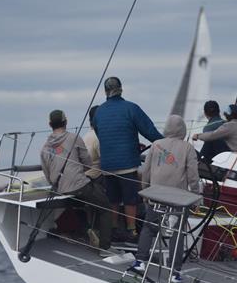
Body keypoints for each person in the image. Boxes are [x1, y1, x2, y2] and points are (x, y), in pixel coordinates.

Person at [92, 77, 163, 243]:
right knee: (130, 199)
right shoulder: (131, 108)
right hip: (127, 164)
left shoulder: (99, 112)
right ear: (121, 89)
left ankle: (114, 230)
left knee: (113, 200)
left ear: (105, 91)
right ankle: (131, 232)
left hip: (108, 165)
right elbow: (150, 132)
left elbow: (100, 133)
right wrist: (166, 144)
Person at [133, 115, 200, 283]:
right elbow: (193, 176)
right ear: (183, 130)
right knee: (177, 234)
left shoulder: (156, 145)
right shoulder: (188, 148)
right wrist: (196, 197)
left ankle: (140, 261)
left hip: (155, 194)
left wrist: (145, 192)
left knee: (149, 228)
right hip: (178, 199)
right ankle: (174, 272)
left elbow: (146, 171)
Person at [41, 110, 112, 250]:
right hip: (80, 185)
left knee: (78, 203)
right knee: (105, 207)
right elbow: (88, 163)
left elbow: (47, 174)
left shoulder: (45, 147)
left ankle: (85, 231)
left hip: (60, 188)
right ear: (66, 122)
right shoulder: (74, 138)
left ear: (50, 124)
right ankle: (105, 247)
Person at [83, 105, 102, 182]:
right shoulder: (98, 138)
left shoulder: (85, 136)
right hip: (97, 178)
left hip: (86, 177)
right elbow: (107, 162)